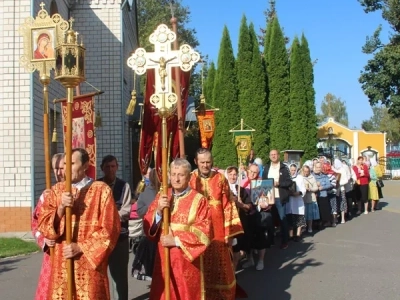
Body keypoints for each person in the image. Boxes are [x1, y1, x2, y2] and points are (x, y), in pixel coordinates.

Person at [38, 148, 120, 300]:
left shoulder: (101, 191)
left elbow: (110, 229)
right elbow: (43, 225)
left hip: (89, 266)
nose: (67, 168)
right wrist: (61, 208)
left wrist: (81, 247)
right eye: (64, 164)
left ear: (85, 166)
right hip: (62, 265)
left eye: (72, 163)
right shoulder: (56, 192)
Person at [143, 158, 212, 299]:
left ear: (188, 177)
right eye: (173, 174)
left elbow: (204, 233)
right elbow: (148, 225)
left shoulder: (199, 200)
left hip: (186, 261)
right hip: (163, 258)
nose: (176, 179)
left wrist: (175, 241)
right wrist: (158, 211)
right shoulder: (163, 195)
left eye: (180, 175)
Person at [189, 148, 243, 299]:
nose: (205, 165)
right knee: (200, 268)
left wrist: (230, 233)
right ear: (195, 162)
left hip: (219, 232)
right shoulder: (190, 179)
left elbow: (228, 205)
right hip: (198, 232)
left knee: (222, 268)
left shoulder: (220, 179)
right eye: (202, 162)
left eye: (208, 162)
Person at [97, 155, 132, 300]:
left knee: (119, 277)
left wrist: (109, 216)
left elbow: (126, 210)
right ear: (102, 168)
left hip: (119, 237)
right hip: (99, 239)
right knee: (98, 275)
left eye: (113, 166)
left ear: (117, 167)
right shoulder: (96, 185)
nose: (110, 170)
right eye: (107, 167)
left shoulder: (124, 186)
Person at [31, 153, 64, 300]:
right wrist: (44, 239)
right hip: (52, 253)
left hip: (72, 252)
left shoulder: (81, 193)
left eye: (61, 168)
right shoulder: (47, 195)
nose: (58, 172)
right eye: (55, 168)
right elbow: (36, 224)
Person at [241, 164, 273, 271]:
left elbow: (270, 199)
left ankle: (261, 260)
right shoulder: (242, 183)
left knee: (261, 239)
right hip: (246, 215)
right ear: (247, 171)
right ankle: (250, 259)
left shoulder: (263, 183)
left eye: (255, 172)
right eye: (251, 171)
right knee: (248, 239)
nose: (252, 174)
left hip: (259, 214)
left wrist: (266, 203)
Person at [132, 168, 160, 280]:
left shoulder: (168, 189)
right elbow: (139, 208)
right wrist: (154, 208)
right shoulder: (144, 189)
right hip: (151, 232)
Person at [263, 149, 293, 250]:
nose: (273, 156)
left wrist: (279, 184)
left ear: (278, 156)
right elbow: (263, 180)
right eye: (271, 154)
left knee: (282, 219)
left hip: (280, 196)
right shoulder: (267, 167)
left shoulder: (284, 168)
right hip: (269, 197)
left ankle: (285, 241)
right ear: (269, 156)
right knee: (269, 219)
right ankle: (271, 240)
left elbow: (289, 182)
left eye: (275, 154)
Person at [225, 166, 252, 271]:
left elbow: (249, 206)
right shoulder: (224, 189)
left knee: (237, 251)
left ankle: (233, 272)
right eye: (230, 174)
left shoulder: (242, 190)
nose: (232, 177)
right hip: (228, 224)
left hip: (240, 224)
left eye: (235, 174)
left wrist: (241, 205)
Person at [286, 164, 306, 241]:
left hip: (298, 200)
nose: (293, 172)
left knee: (299, 217)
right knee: (290, 217)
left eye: (294, 170)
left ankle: (298, 234)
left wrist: (298, 193)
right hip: (289, 200)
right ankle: (290, 235)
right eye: (291, 170)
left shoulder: (300, 178)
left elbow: (303, 189)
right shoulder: (287, 178)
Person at [302, 165, 320, 234]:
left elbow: (316, 188)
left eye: (307, 171)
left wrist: (310, 189)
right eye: (305, 171)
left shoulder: (312, 177)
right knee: (303, 214)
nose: (306, 173)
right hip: (302, 198)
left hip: (310, 197)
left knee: (309, 214)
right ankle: (303, 227)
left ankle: (310, 227)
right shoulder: (300, 178)